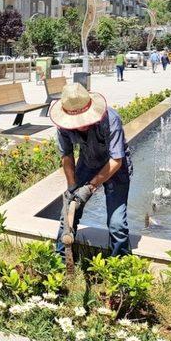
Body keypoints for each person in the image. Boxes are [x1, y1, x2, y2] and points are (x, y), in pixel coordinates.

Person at [50, 83, 132, 260]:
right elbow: (67, 155)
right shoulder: (63, 125)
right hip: (87, 163)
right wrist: (72, 186)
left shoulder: (110, 119)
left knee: (117, 224)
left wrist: (90, 187)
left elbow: (116, 160)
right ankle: (61, 260)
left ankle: (122, 266)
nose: (80, 125)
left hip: (116, 168)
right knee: (68, 212)